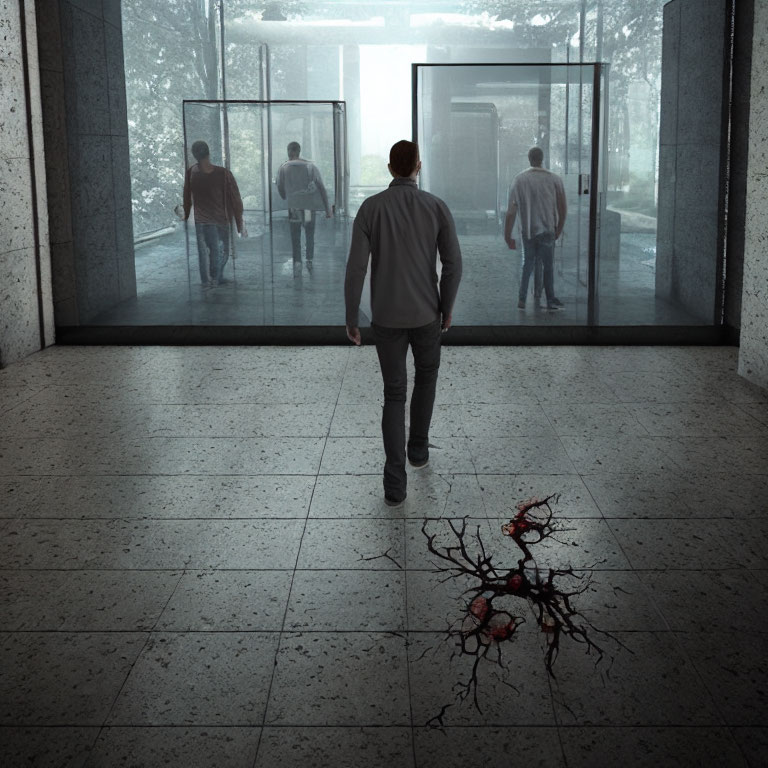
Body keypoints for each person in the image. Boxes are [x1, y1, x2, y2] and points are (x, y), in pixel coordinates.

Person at [344, 139, 462, 507]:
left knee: (394, 393)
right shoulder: (436, 207)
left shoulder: (370, 208)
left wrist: (352, 316)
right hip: (427, 313)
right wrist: (446, 306)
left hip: (387, 318)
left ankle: (394, 486)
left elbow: (356, 268)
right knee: (426, 377)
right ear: (418, 167)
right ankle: (419, 451)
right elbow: (454, 264)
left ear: (391, 168)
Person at [504, 146, 567, 311]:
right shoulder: (554, 179)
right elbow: (562, 207)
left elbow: (511, 212)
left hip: (529, 230)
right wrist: (559, 227)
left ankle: (522, 299)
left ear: (529, 159)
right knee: (548, 266)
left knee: (528, 264)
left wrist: (507, 235)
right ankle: (550, 299)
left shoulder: (519, 180)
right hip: (548, 229)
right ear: (542, 159)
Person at [182, 140, 245, 288]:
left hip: (201, 221)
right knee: (222, 251)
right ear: (208, 152)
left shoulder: (191, 172)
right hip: (219, 220)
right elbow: (235, 199)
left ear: (194, 155)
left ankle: (209, 279)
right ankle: (216, 277)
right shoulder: (223, 174)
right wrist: (239, 221)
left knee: (205, 253)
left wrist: (186, 216)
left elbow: (186, 198)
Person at [276, 142, 333, 277]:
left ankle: (297, 261)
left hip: (294, 207)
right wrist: (327, 209)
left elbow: (280, 186)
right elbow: (321, 187)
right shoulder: (310, 166)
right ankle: (309, 259)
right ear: (299, 151)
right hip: (308, 207)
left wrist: (285, 196)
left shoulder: (284, 167)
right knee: (309, 233)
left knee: (295, 235)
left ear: (289, 151)